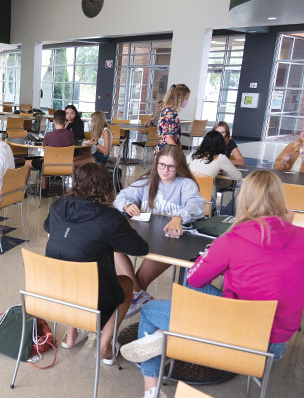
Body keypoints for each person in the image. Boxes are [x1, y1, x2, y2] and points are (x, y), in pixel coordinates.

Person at [120, 170, 304, 398]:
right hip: (273, 346)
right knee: (196, 288)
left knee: (152, 307)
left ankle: (152, 388)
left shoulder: (233, 238)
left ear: (243, 200)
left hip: (234, 333)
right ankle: (169, 331)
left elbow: (196, 277)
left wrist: (214, 255)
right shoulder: (301, 237)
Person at [44, 162, 149, 363]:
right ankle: (104, 346)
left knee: (71, 264)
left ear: (76, 183)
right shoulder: (110, 218)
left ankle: (71, 335)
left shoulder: (59, 205)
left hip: (53, 289)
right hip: (92, 295)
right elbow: (139, 249)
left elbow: (49, 228)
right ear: (107, 187)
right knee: (126, 283)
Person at [113, 145, 205, 317]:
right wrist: (126, 204)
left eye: (171, 166)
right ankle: (139, 298)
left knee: (139, 281)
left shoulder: (186, 184)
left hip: (170, 241)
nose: (165, 170)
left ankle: (136, 299)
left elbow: (196, 205)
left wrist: (179, 217)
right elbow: (120, 196)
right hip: (144, 236)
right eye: (161, 165)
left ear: (179, 167)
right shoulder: (148, 180)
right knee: (113, 247)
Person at [24, 109, 74, 188]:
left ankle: (23, 189)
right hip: (66, 166)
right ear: (65, 121)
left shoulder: (49, 135)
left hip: (49, 166)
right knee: (45, 160)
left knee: (28, 163)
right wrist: (66, 127)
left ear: (54, 121)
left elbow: (44, 146)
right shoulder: (70, 134)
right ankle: (44, 187)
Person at [154, 84, 190, 156]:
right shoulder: (170, 113)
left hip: (167, 149)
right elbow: (168, 137)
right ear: (180, 98)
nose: (187, 101)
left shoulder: (167, 110)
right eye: (186, 98)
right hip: (168, 151)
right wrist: (179, 153)